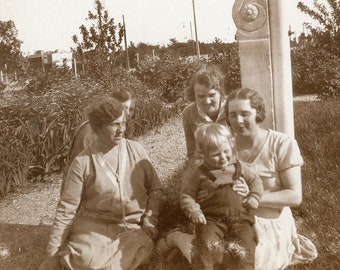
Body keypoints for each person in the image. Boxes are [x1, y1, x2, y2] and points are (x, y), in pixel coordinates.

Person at [159, 88, 317, 270]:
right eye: (232, 115)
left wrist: (253, 196)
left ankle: (185, 241)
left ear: (258, 113)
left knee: (248, 259)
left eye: (245, 114)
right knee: (211, 253)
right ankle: (178, 238)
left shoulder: (281, 143)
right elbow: (198, 180)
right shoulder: (223, 146)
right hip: (221, 217)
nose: (238, 120)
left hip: (269, 219)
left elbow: (294, 196)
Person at [38, 96, 164, 270]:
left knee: (141, 246)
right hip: (93, 227)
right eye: (114, 124)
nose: (121, 130)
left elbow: (155, 188)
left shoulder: (137, 150)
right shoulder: (82, 162)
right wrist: (53, 247)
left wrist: (151, 219)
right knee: (85, 259)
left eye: (123, 123)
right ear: (98, 128)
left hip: (130, 226)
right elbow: (67, 208)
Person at [181, 123, 263, 270]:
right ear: (204, 154)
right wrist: (194, 211)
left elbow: (256, 181)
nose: (223, 157)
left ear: (231, 146)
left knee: (245, 248)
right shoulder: (199, 173)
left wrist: (254, 197)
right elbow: (187, 195)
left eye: (226, 151)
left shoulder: (240, 167)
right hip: (211, 220)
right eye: (215, 154)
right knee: (207, 245)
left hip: (240, 219)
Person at [65, 87, 136, 175]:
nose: (128, 113)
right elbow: (78, 169)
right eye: (124, 108)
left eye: (131, 109)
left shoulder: (118, 130)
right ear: (111, 106)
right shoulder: (91, 130)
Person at [182, 64, 228, 161]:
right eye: (201, 96)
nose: (207, 101)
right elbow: (192, 153)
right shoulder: (189, 114)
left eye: (211, 95)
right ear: (194, 94)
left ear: (219, 91)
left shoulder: (232, 107)